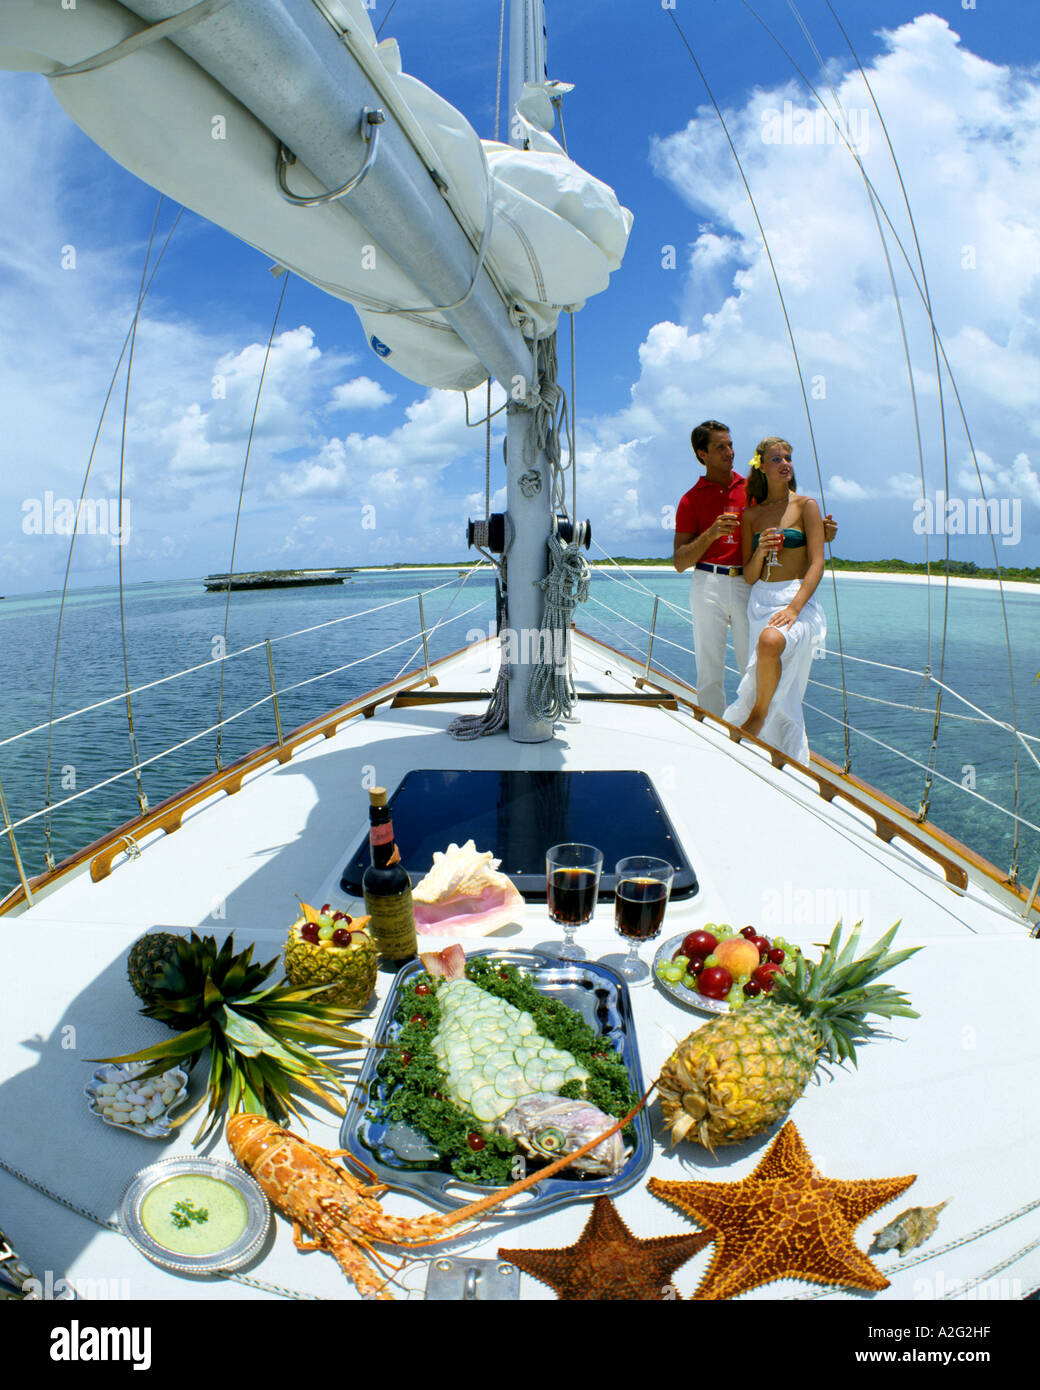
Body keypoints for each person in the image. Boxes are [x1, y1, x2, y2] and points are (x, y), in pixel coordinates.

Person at [673, 420, 834, 715]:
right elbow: (679, 562)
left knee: (754, 664)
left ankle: (754, 732)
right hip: (708, 583)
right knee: (709, 669)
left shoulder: (753, 490)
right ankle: (712, 729)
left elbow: (786, 512)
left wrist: (820, 532)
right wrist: (711, 534)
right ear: (702, 454)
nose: (730, 452)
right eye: (720, 447)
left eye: (731, 445)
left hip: (751, 585)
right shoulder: (690, 499)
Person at [722, 437, 827, 764]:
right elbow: (750, 575)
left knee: (770, 644)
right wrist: (762, 551)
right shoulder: (751, 515)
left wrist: (795, 607)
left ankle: (758, 716)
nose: (785, 464)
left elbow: (817, 563)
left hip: (797, 598)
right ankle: (780, 748)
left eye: (789, 458)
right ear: (762, 467)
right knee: (767, 665)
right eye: (777, 459)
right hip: (761, 598)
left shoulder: (807, 506)